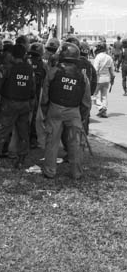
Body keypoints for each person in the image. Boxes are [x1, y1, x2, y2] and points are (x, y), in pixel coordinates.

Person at [41, 42, 91, 180]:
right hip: (74, 112)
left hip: (54, 109)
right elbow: (86, 101)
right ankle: (77, 173)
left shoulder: (53, 71)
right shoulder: (82, 76)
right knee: (75, 143)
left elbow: (45, 95)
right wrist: (82, 116)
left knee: (52, 142)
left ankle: (49, 171)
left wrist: (45, 111)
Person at [0, 44, 35, 168]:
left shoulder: (7, 68)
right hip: (25, 104)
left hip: (9, 103)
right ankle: (21, 159)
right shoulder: (29, 69)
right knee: (23, 132)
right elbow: (33, 88)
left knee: (2, 129)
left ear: (12, 55)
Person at [93, 42, 115, 118]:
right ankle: (104, 112)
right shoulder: (109, 57)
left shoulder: (98, 57)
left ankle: (100, 107)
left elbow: (95, 69)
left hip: (99, 79)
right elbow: (112, 71)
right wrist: (112, 80)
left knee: (93, 95)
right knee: (104, 96)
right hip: (107, 79)